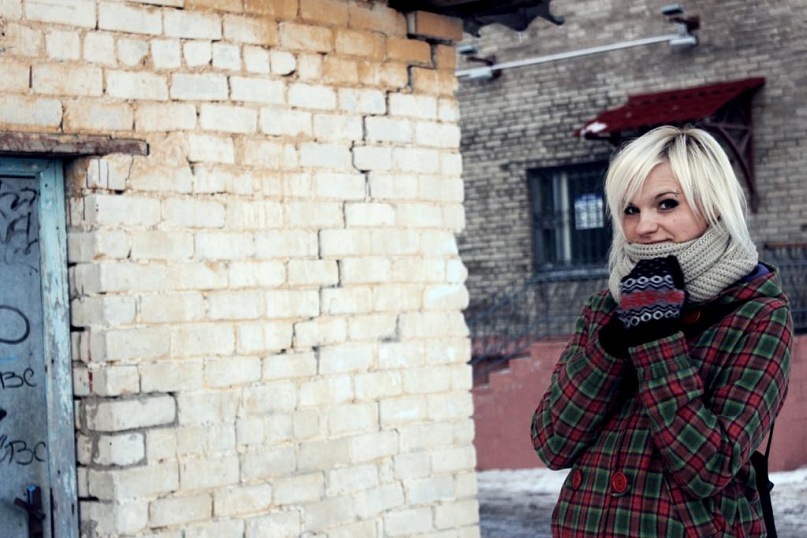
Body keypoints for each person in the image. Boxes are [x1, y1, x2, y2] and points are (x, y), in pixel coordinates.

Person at [530, 125, 792, 537]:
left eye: (666, 204)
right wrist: (611, 346)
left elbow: (709, 468)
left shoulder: (757, 315)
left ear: (713, 206)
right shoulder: (606, 307)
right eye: (630, 210)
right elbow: (552, 443)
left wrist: (655, 340)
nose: (644, 226)